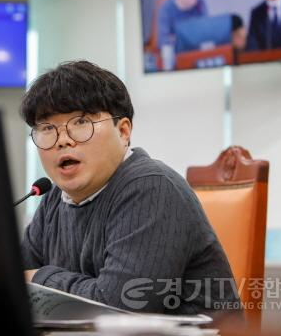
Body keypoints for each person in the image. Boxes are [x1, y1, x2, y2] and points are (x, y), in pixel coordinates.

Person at [20, 60, 240, 316]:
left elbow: (119, 307)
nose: (63, 140)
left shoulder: (152, 188)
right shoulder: (55, 198)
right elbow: (12, 282)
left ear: (123, 131)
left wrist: (40, 278)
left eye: (81, 122)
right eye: (47, 128)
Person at [157, 0, 208, 69]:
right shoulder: (166, 9)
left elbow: (205, 30)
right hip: (178, 59)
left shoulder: (200, 0)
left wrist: (178, 37)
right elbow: (164, 41)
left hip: (198, 54)